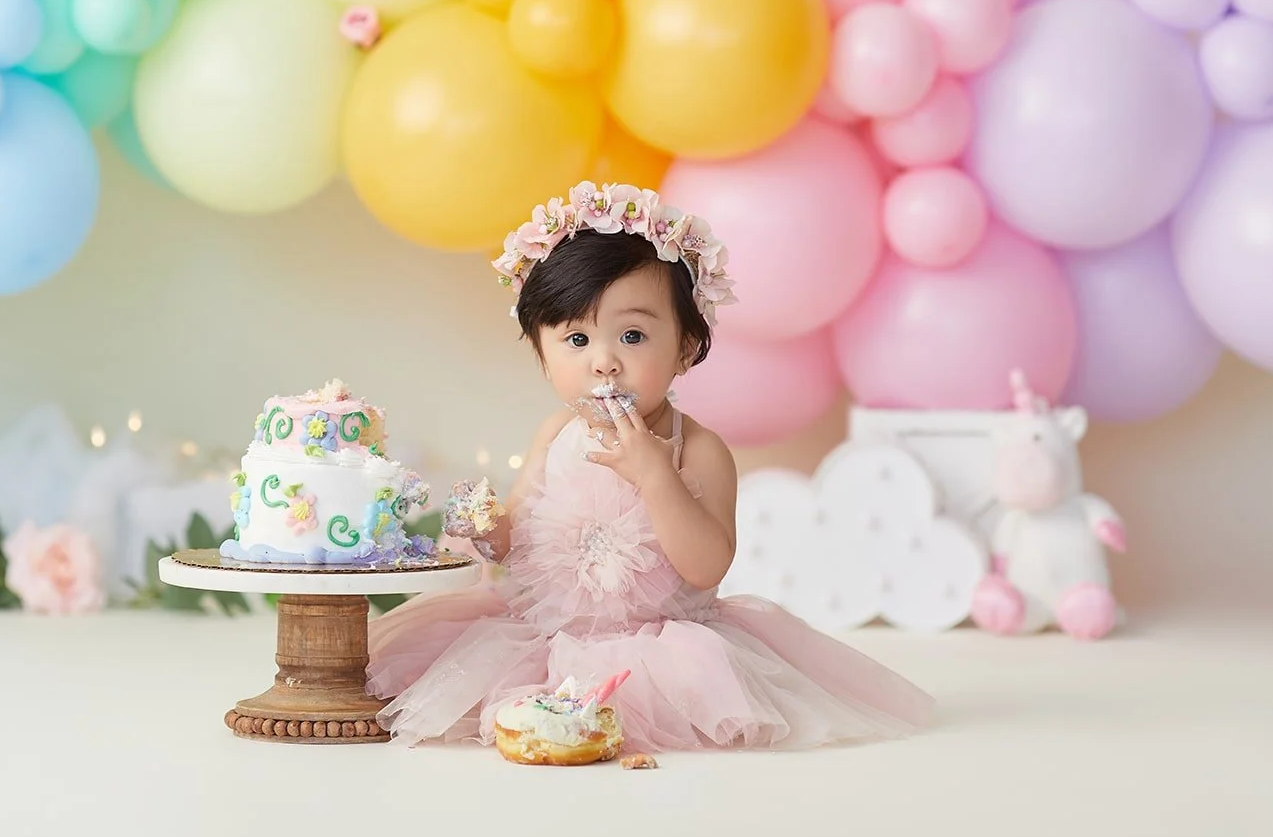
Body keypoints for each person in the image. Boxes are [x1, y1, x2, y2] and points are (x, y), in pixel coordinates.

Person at [367, 182, 934, 751]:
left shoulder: (699, 450)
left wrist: (657, 477)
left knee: (641, 716)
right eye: (577, 339)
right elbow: (514, 544)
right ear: (542, 353)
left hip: (660, 648)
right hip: (544, 642)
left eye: (632, 335)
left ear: (686, 347)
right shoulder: (558, 435)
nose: (604, 361)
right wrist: (490, 531)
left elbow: (707, 565)